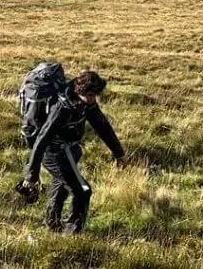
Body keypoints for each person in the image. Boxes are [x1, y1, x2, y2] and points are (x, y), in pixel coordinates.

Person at [18, 70, 126, 233]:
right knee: (83, 190)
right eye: (90, 94)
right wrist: (32, 175)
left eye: (95, 95)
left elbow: (102, 126)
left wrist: (119, 153)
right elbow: (41, 139)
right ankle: (72, 234)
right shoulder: (62, 107)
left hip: (71, 150)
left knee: (61, 185)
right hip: (54, 154)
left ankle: (52, 224)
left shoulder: (87, 104)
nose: (93, 99)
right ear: (79, 90)